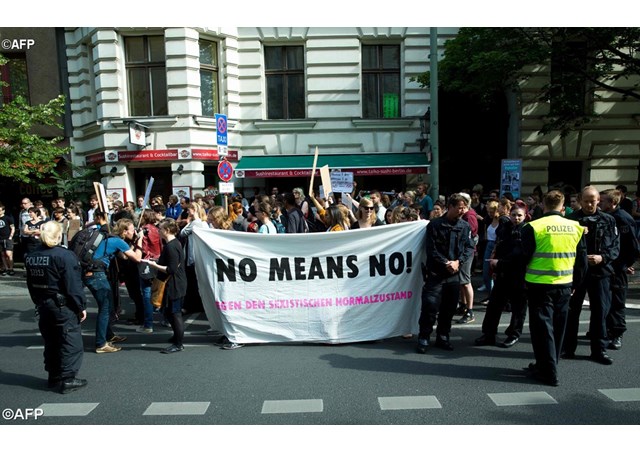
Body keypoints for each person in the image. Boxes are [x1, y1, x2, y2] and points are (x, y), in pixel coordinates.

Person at [521, 190, 587, 386]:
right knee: (558, 327)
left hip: (539, 285)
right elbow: (582, 260)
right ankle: (547, 364)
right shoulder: (575, 227)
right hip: (565, 284)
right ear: (563, 205)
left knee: (542, 329)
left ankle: (549, 371)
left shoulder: (533, 226)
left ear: (543, 205)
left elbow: (524, 256)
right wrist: (577, 284)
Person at [25, 221, 88, 394]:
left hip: (43, 303)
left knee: (51, 341)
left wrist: (37, 301)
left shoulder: (31, 255)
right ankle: (68, 378)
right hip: (62, 305)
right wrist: (80, 306)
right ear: (59, 235)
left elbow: (30, 283)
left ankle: (54, 375)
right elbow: (72, 285)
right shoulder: (65, 255)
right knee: (69, 341)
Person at [564, 186, 620, 365]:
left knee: (600, 312)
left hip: (600, 272)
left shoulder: (608, 220)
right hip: (576, 271)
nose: (589, 204)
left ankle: (599, 350)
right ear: (580, 200)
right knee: (572, 311)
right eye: (586, 200)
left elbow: (615, 247)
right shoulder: (571, 219)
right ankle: (568, 347)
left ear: (598, 200)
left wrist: (602, 257)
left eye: (593, 200)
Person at [416, 193, 474, 353]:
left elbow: (469, 247)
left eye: (464, 208)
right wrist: (446, 263)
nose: (462, 211)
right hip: (435, 274)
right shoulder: (434, 225)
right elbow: (431, 249)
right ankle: (424, 337)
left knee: (448, 309)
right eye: (459, 208)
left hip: (454, 276)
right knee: (429, 307)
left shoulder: (465, 226)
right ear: (450, 207)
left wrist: (458, 262)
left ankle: (443, 336)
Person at [82, 209, 143, 353]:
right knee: (105, 308)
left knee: (108, 307)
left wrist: (132, 243)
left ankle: (109, 335)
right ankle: (101, 344)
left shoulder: (111, 238)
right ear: (124, 231)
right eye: (132, 229)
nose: (134, 231)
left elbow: (124, 257)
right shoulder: (118, 241)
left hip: (91, 273)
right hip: (97, 275)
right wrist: (139, 241)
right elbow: (137, 258)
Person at [475, 203, 529, 348]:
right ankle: (489, 334)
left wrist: (500, 263)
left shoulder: (527, 231)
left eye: (519, 215)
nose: (516, 218)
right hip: (503, 273)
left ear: (525, 216)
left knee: (518, 308)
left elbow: (520, 255)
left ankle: (514, 334)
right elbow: (498, 248)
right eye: (514, 215)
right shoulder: (505, 228)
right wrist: (495, 269)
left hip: (519, 275)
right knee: (494, 305)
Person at [599, 189, 640, 350]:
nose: (600, 204)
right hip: (607, 266)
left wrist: (624, 265)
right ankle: (607, 330)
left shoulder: (623, 219)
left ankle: (617, 334)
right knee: (606, 301)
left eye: (603, 201)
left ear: (612, 203)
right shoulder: (607, 217)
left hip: (617, 268)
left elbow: (633, 247)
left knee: (617, 302)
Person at [145, 218, 188, 353]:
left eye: (161, 229)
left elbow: (171, 269)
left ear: (167, 230)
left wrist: (154, 265)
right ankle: (176, 337)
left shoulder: (171, 246)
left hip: (174, 284)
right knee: (170, 312)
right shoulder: (173, 244)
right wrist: (158, 260)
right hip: (175, 283)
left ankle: (178, 343)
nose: (158, 231)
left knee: (175, 314)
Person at [138, 210, 163, 331]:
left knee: (147, 294)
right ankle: (166, 319)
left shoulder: (144, 230)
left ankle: (148, 324)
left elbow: (143, 248)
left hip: (147, 261)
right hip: (158, 261)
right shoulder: (158, 229)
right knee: (160, 291)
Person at [180, 203, 207, 314]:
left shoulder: (195, 223)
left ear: (193, 210)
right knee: (196, 283)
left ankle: (191, 306)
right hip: (198, 255)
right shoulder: (203, 223)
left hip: (193, 256)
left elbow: (182, 233)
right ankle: (198, 305)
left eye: (188, 210)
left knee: (191, 283)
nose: (187, 212)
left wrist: (188, 221)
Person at [457, 192, 478, 324]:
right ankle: (463, 305)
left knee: (465, 281)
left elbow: (471, 233)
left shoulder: (469, 216)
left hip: (466, 252)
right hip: (463, 251)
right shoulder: (466, 215)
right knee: (462, 280)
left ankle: (470, 311)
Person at [0, 202, 16, 276]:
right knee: (2, 254)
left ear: (3, 210)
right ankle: (6, 268)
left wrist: (10, 237)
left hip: (7, 238)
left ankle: (11, 268)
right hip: (0, 239)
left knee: (8, 253)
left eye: (0, 210)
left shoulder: (8, 218)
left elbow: (12, 228)